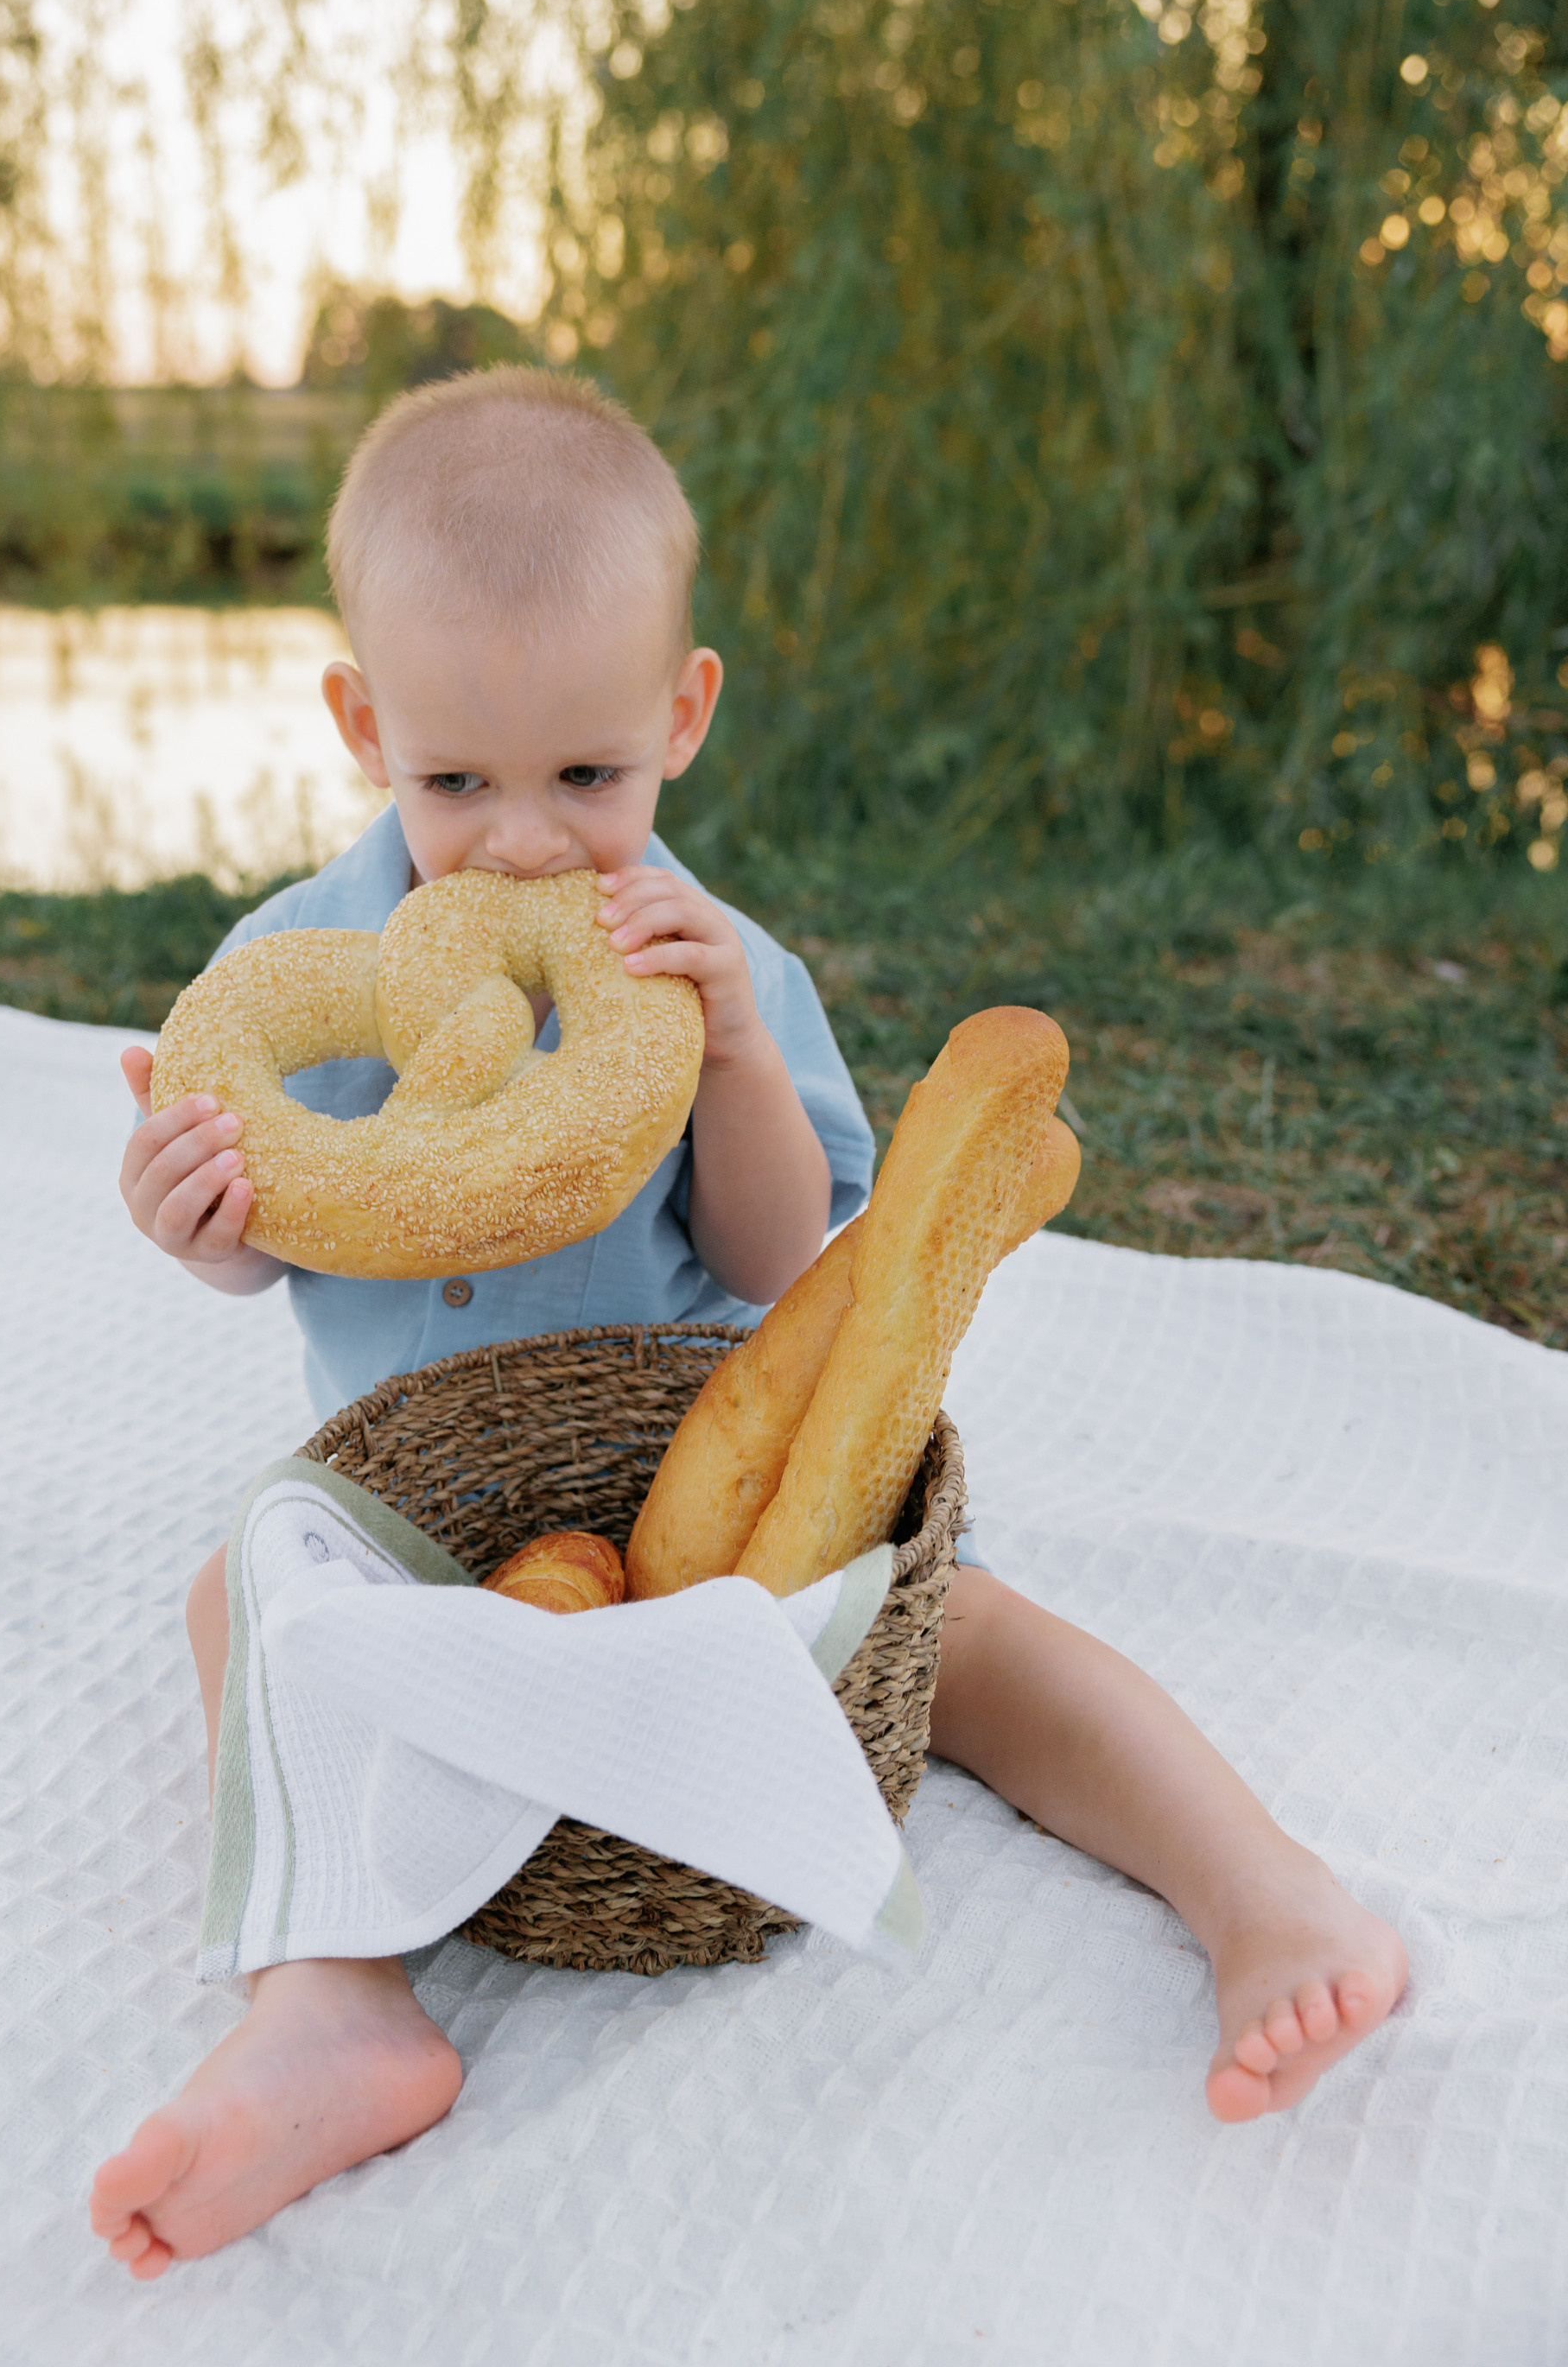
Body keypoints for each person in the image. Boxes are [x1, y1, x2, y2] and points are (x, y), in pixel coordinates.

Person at [91, 369, 1407, 2281]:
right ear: (363, 724)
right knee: (239, 1602)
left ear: (680, 718)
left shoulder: (718, 965)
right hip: (425, 1518)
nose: (528, 842)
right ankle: (332, 2003)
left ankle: (1258, 1889)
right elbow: (270, 1246)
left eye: (588, 779)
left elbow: (794, 1249)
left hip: (705, 1505)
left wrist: (722, 1059)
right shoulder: (300, 971)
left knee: (964, 1634)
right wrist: (193, 1221)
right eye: (456, 782)